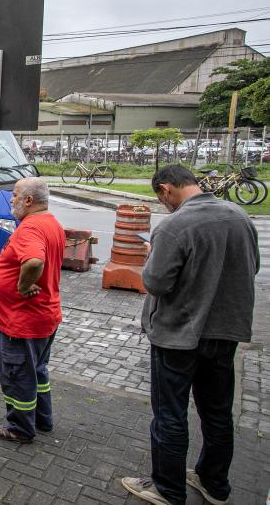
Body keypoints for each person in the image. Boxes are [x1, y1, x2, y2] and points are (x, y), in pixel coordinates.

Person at [121, 165, 259, 505]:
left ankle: (167, 489)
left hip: (178, 335)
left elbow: (156, 283)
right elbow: (251, 268)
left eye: (161, 198)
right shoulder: (240, 217)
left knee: (170, 414)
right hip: (225, 333)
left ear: (167, 189)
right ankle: (214, 484)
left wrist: (153, 257)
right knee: (217, 412)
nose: (164, 204)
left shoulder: (175, 226)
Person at [0, 177, 65, 444]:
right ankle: (43, 419)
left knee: (17, 374)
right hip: (43, 316)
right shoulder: (51, 223)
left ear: (29, 200)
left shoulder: (30, 229)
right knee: (37, 371)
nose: (13, 200)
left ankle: (20, 428)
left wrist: (21, 285)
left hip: (22, 321)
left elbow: (34, 262)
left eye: (16, 195)